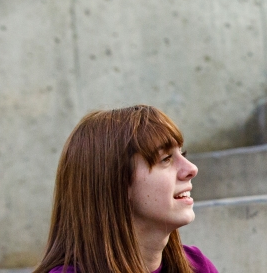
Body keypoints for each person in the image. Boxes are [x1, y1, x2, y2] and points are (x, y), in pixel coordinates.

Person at [33, 105, 217, 273]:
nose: (191, 169)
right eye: (166, 159)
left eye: (182, 154)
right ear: (116, 182)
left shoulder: (196, 266)